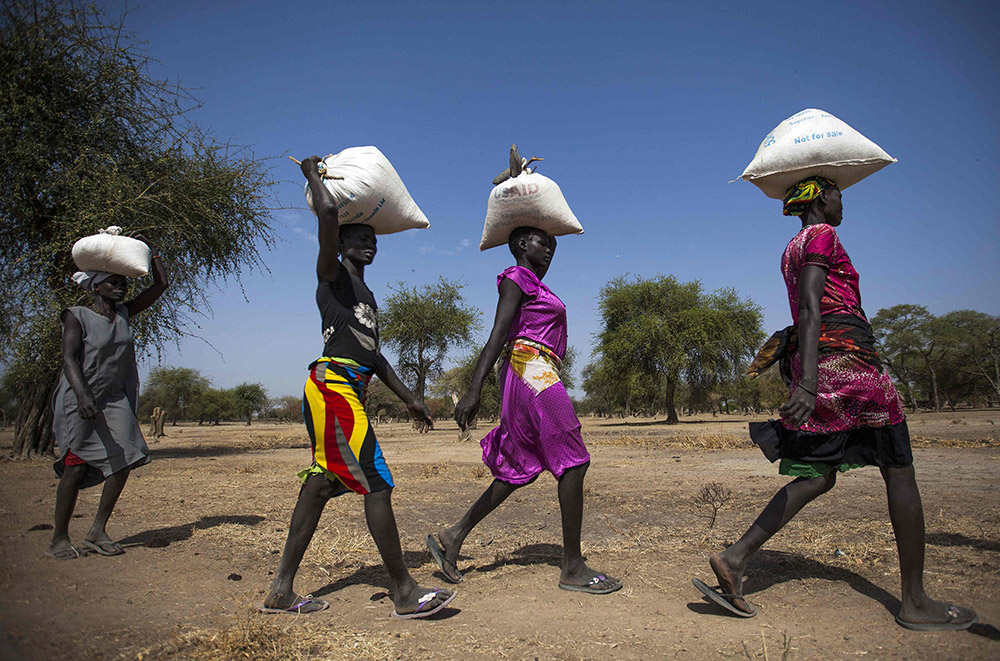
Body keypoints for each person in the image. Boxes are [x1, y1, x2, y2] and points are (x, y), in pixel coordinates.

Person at [693, 176, 977, 631]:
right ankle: (915, 601)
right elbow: (809, 307)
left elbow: (807, 309)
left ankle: (734, 557)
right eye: (840, 194)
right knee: (899, 469)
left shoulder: (791, 246)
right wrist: (806, 384)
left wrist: (809, 378)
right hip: (848, 366)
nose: (844, 202)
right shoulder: (824, 235)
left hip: (825, 364)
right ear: (823, 197)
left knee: (820, 475)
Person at [261, 155, 455, 618]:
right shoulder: (331, 277)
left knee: (321, 485)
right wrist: (311, 174)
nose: (369, 245)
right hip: (333, 386)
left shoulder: (365, 296)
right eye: (359, 238)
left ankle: (281, 590)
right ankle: (405, 592)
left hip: (346, 387)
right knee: (377, 483)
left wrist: (410, 398)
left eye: (373, 239)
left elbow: (374, 356)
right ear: (339, 242)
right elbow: (328, 214)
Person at [426, 226, 621, 595]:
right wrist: (473, 389)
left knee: (520, 465)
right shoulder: (516, 279)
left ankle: (454, 535)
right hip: (530, 367)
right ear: (519, 245)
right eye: (541, 242)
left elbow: (555, 241)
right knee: (575, 461)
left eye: (551, 244)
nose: (549, 249)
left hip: (532, 369)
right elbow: (496, 335)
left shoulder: (535, 283)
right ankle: (573, 566)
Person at [49, 234, 168, 559]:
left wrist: (153, 252)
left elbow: (160, 287)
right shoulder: (77, 315)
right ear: (96, 286)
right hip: (81, 398)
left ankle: (96, 530)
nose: (121, 288)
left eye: (122, 283)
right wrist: (82, 394)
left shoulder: (125, 314)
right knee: (74, 467)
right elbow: (69, 358)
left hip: (115, 400)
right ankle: (59, 539)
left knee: (126, 459)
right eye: (113, 283)